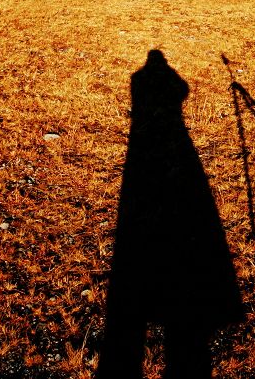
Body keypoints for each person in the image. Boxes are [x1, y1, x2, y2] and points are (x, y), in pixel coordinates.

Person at [97, 50, 243, 379]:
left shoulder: (140, 81)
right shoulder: (166, 86)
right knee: (188, 347)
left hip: (145, 176)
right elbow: (182, 90)